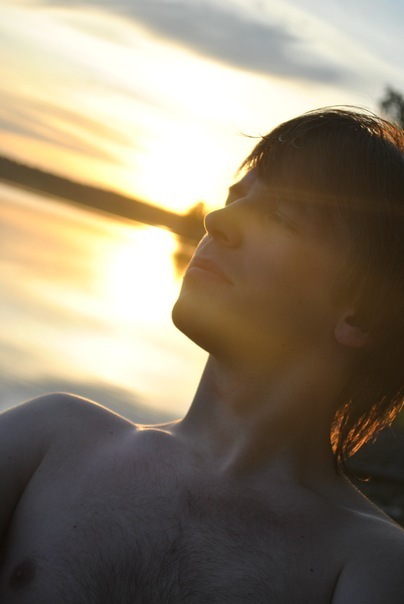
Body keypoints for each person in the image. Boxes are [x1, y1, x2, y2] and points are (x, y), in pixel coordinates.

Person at [1, 108, 404, 603]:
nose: (217, 220)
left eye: (281, 217)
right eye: (235, 199)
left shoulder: (373, 566)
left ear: (361, 315)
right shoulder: (49, 440)